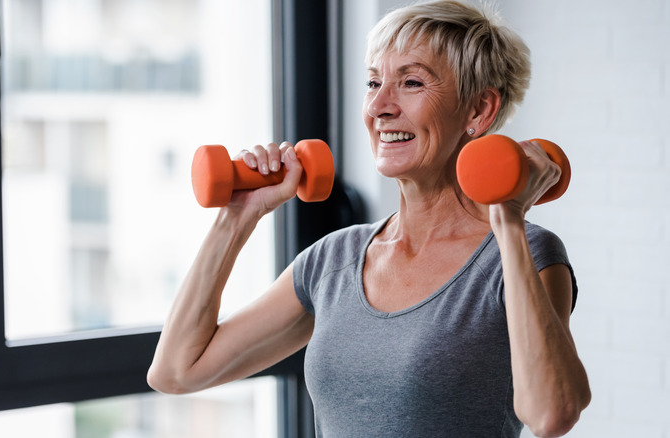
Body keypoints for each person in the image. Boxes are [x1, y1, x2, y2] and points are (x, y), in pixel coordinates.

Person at [147, 0, 591, 436]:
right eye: (373, 81)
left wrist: (508, 221)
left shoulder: (525, 254)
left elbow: (552, 415)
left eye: (412, 83)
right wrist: (236, 219)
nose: (380, 105)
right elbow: (176, 371)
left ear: (478, 111)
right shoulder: (332, 261)